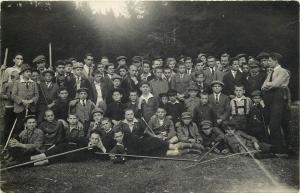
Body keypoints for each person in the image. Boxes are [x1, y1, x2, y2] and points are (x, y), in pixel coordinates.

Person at [261, 52, 291, 154]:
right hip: (271, 99)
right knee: (273, 123)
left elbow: (276, 84)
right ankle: (279, 147)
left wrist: (269, 85)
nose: (268, 62)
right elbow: (263, 86)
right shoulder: (271, 72)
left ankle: (283, 148)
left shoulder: (283, 71)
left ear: (276, 61)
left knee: (277, 124)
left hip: (280, 98)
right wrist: (269, 84)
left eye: (270, 60)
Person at [12, 63, 39, 136]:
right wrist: (22, 101)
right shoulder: (17, 82)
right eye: (27, 72)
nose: (29, 73)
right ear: (22, 73)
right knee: (20, 125)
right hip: (20, 108)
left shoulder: (33, 83)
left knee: (31, 125)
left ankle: (30, 142)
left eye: (30, 72)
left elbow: (36, 95)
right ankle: (19, 142)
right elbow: (13, 95)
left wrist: (31, 101)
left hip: (31, 108)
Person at [1, 71, 19, 144]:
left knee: (16, 126)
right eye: (15, 78)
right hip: (9, 107)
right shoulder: (7, 84)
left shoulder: (19, 84)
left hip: (17, 107)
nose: (17, 79)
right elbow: (1, 94)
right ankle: (5, 142)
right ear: (11, 78)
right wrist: (8, 97)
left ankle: (14, 142)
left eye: (18, 78)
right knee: (8, 125)